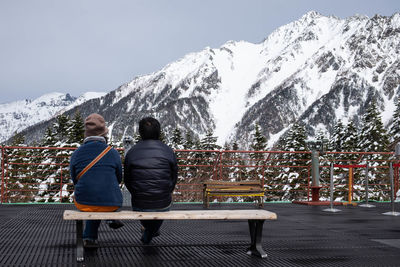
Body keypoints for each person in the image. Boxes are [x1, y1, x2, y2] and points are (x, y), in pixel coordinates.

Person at [70, 113, 124, 247]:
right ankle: (101, 224)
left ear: (86, 134)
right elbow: (119, 178)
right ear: (104, 133)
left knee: (92, 199)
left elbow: (74, 179)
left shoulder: (77, 153)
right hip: (112, 202)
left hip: (83, 202)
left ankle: (89, 237)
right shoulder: (113, 152)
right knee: (101, 198)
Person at [124, 117, 178, 244]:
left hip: (139, 203)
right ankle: (150, 231)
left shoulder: (132, 152)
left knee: (145, 209)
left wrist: (137, 192)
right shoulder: (168, 151)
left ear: (140, 132)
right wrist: (166, 191)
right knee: (159, 208)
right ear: (158, 132)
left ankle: (149, 230)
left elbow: (127, 179)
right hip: (163, 202)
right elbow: (173, 177)